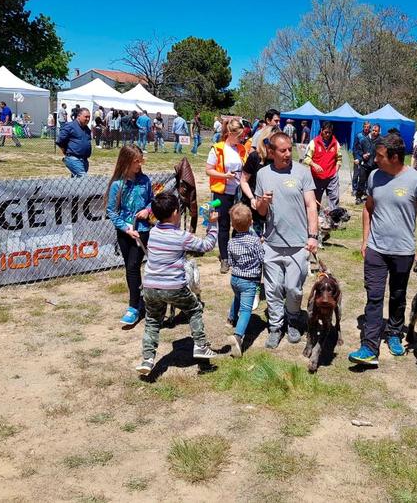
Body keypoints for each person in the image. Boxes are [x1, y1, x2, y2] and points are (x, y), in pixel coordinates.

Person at [347, 133, 417, 366]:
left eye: (380, 156)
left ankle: (395, 334)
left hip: (403, 251)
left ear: (395, 157)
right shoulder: (374, 176)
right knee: (374, 297)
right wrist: (365, 239)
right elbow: (368, 208)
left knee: (398, 296)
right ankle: (369, 346)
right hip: (376, 249)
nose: (376, 160)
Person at [135, 192, 220, 374]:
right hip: (174, 286)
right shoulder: (181, 236)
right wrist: (212, 224)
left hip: (150, 286)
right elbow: (207, 246)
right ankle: (200, 345)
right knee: (194, 309)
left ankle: (147, 359)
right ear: (175, 213)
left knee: (152, 321)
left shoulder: (153, 232)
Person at [255, 131, 319, 349]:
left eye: (290, 149)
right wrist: (263, 201)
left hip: (298, 244)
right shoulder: (263, 174)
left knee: (294, 289)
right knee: (272, 289)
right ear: (271, 152)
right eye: (282, 150)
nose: (287, 154)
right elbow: (261, 211)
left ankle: (293, 319)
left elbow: (311, 205)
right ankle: (275, 326)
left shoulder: (302, 172)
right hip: (272, 243)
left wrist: (313, 236)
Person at [105, 145, 153, 326]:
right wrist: (126, 228)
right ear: (127, 161)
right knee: (130, 268)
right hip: (126, 233)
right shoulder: (118, 185)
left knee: (134, 264)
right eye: (136, 161)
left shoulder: (145, 180)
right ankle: (137, 301)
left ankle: (134, 306)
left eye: (141, 160)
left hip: (142, 231)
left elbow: (151, 200)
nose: (140, 164)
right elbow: (112, 211)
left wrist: (147, 210)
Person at [206, 118, 247, 274]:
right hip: (222, 192)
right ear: (230, 133)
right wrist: (224, 175)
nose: (242, 138)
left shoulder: (242, 149)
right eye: (239, 135)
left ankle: (236, 253)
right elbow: (208, 170)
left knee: (239, 224)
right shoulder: (217, 149)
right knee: (223, 225)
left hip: (238, 191)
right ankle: (224, 258)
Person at [226, 204, 265, 358]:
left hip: (235, 279)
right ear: (251, 222)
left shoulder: (231, 242)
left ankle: (230, 318)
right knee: (246, 310)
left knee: (237, 297)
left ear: (232, 225)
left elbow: (229, 261)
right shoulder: (254, 241)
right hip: (249, 281)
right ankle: (238, 336)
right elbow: (262, 258)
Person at [241, 125, 278, 237]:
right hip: (253, 205)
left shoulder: (281, 160)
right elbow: (243, 181)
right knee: (250, 238)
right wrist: (251, 198)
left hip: (273, 207)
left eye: (274, 143)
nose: (270, 146)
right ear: (263, 141)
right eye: (268, 142)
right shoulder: (254, 157)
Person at [303, 121, 342, 209]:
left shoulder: (336, 144)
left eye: (329, 132)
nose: (327, 134)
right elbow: (306, 158)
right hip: (317, 177)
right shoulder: (314, 143)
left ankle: (333, 219)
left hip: (332, 177)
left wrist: (335, 172)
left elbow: (339, 159)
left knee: (334, 199)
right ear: (321, 130)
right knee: (315, 200)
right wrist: (314, 165)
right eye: (326, 132)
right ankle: (314, 218)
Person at [56, 107, 92, 177]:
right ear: (78, 116)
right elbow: (60, 141)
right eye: (86, 117)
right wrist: (65, 151)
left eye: (89, 117)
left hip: (84, 160)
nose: (88, 119)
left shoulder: (87, 129)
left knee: (76, 184)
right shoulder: (70, 126)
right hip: (73, 159)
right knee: (84, 179)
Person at [355, 124, 381, 204]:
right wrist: (362, 156)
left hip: (374, 166)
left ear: (379, 132)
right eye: (373, 130)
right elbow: (358, 150)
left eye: (376, 131)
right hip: (364, 164)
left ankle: (370, 198)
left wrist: (378, 158)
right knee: (361, 181)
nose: (374, 132)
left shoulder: (381, 141)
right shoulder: (364, 140)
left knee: (373, 182)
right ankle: (358, 197)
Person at [352, 122, 371, 196]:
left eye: (368, 127)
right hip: (358, 157)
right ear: (363, 127)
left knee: (365, 175)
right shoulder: (358, 135)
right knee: (356, 174)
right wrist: (356, 158)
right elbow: (354, 148)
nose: (366, 128)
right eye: (365, 127)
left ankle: (364, 189)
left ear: (370, 128)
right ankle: (354, 189)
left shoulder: (371, 136)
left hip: (367, 159)